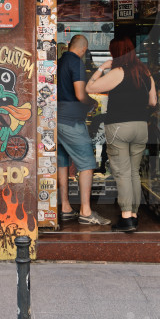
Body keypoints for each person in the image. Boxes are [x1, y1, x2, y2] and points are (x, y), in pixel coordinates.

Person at [87, 36, 157, 233]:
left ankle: (127, 218)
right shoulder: (145, 72)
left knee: (122, 173)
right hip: (141, 126)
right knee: (134, 172)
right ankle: (133, 214)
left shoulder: (118, 71)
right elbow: (153, 102)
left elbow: (90, 88)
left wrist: (102, 68)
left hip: (119, 127)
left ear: (114, 53)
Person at [56, 34, 109, 226]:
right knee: (87, 163)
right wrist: (92, 102)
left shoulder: (60, 61)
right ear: (84, 49)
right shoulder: (76, 63)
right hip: (71, 122)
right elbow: (80, 94)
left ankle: (65, 208)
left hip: (56, 120)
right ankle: (86, 211)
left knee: (62, 163)